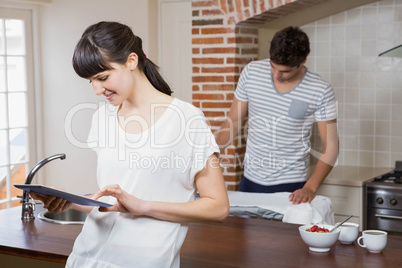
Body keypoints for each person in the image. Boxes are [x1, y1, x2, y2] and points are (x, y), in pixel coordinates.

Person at [30, 21, 229, 267]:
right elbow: (112, 204)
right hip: (86, 258)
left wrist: (143, 206)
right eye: (90, 81)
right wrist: (69, 201)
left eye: (102, 77)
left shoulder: (187, 120)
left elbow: (218, 207)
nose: (96, 89)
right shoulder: (102, 118)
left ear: (131, 61)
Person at [216, 26, 338, 205]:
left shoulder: (320, 90)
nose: (276, 75)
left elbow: (331, 145)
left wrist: (310, 187)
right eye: (273, 67)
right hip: (249, 182)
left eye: (285, 71)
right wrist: (213, 150)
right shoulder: (251, 73)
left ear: (302, 61)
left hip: (291, 187)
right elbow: (233, 121)